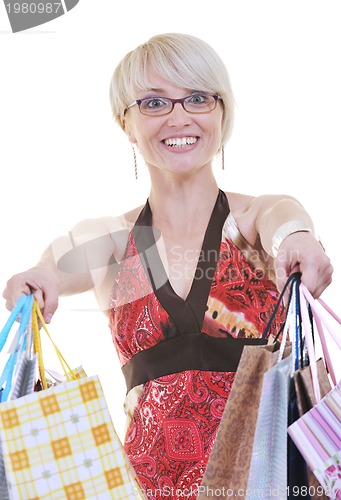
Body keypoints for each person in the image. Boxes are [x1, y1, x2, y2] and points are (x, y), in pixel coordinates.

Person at [3, 33, 333, 499]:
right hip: (144, 487)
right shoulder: (115, 242)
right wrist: (40, 276)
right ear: (127, 123)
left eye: (198, 98)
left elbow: (287, 220)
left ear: (222, 112)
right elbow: (62, 257)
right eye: (154, 102)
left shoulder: (253, 221)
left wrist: (298, 239)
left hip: (266, 482)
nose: (180, 117)